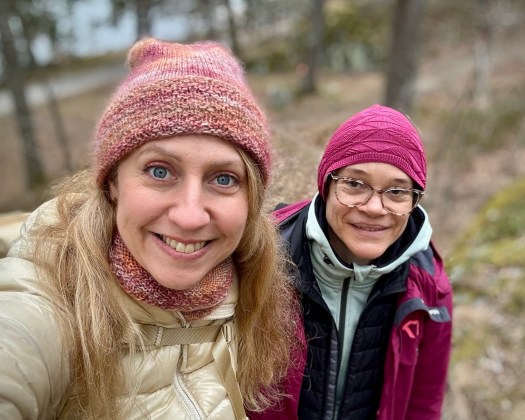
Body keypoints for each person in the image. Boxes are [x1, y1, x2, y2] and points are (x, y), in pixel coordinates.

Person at [0, 38, 301, 419]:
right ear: (112, 183)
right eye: (159, 171)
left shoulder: (255, 297)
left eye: (223, 179)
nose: (190, 216)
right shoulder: (50, 302)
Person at [273, 104, 453, 420]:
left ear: (414, 200)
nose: (374, 207)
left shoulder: (430, 286)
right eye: (355, 184)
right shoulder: (265, 258)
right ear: (326, 185)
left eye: (396, 191)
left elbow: (423, 406)